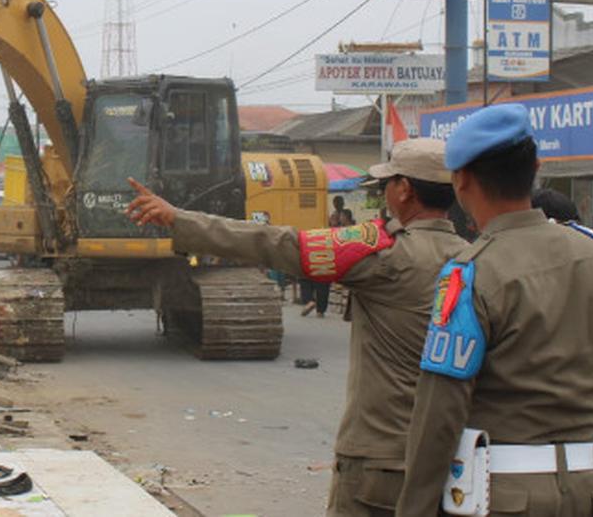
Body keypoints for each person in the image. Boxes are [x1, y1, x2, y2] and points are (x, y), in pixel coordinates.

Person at [127, 138, 466, 516]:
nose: (384, 192)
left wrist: (180, 219)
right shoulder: (473, 257)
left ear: (404, 190)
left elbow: (279, 244)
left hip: (380, 461)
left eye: (387, 183)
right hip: (452, 460)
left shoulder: (384, 252)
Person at [397, 104, 593, 516]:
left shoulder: (470, 274)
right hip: (582, 488)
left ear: (461, 179)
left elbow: (440, 411)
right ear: (536, 167)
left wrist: (413, 508)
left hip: (499, 494)